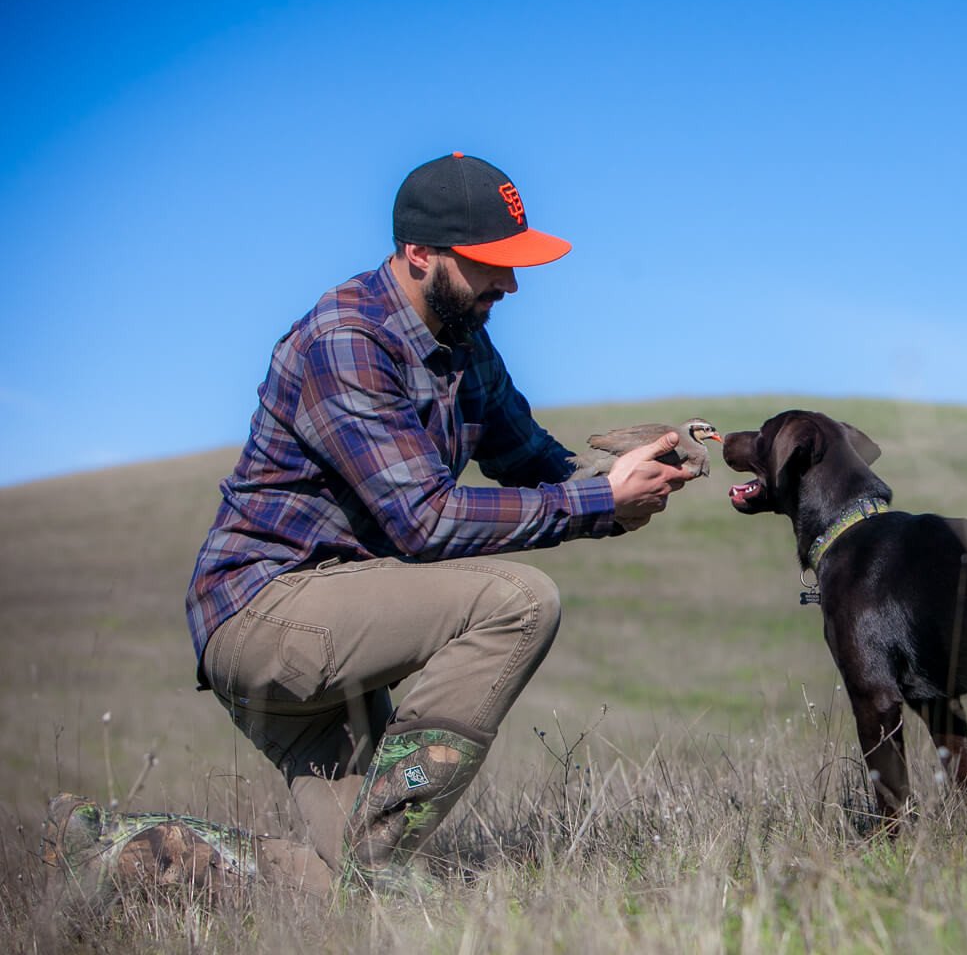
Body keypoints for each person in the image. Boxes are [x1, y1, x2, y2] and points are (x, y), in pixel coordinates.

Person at [42, 152, 695, 904]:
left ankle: (112, 848)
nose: (510, 285)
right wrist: (595, 504)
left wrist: (630, 482)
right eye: (491, 263)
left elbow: (535, 463)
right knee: (518, 602)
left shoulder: (465, 345)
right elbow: (426, 523)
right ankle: (379, 848)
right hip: (270, 615)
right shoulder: (347, 339)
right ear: (420, 254)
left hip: (342, 623)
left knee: (358, 889)